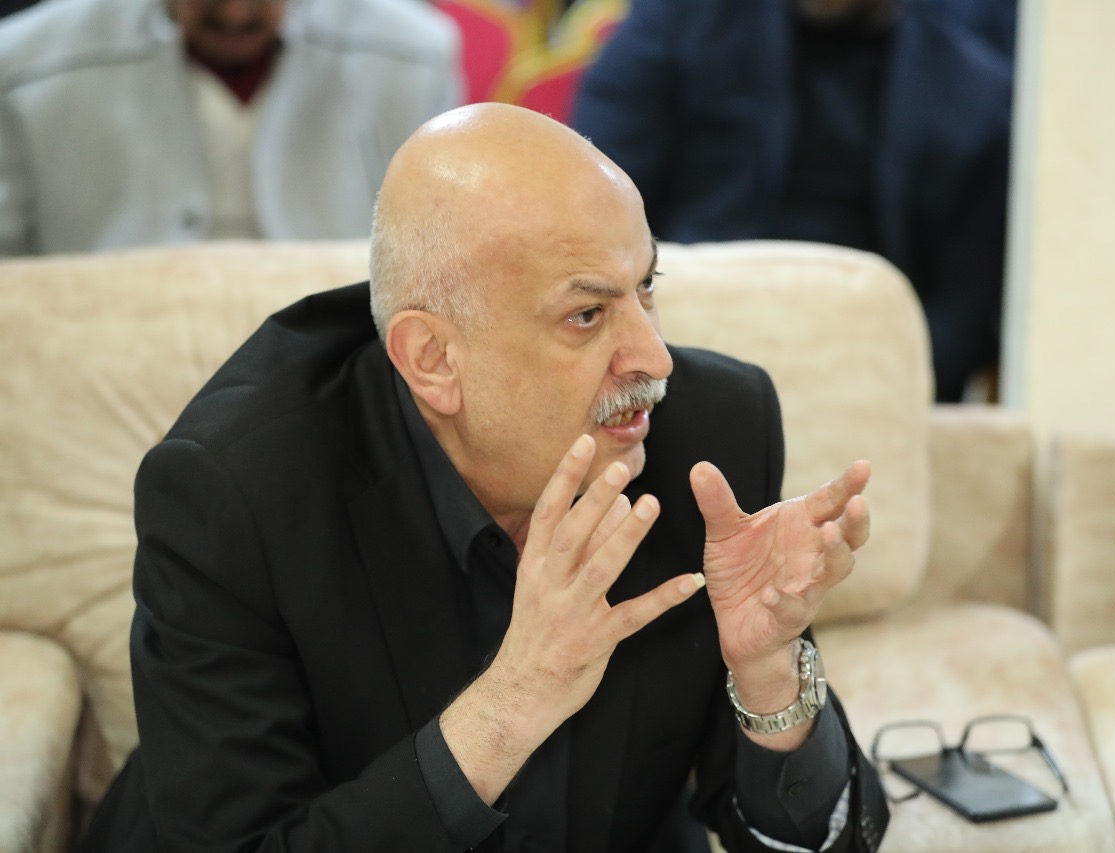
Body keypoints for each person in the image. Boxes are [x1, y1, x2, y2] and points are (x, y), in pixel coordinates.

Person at [80, 103, 890, 851]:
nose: (654, 358)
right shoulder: (235, 493)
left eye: (646, 287)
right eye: (586, 314)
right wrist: (513, 702)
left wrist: (768, 673)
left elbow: (820, 839)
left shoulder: (709, 435)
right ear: (433, 360)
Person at [571, 0, 1013, 402]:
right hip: (681, 337)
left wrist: (878, 381)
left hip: (871, 369)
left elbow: (968, 299)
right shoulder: (676, 25)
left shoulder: (972, 86)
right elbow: (595, 201)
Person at [0, 0, 460, 256]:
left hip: (338, 368)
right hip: (106, 363)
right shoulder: (25, 66)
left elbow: (439, 258)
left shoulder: (414, 57)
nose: (236, 13)